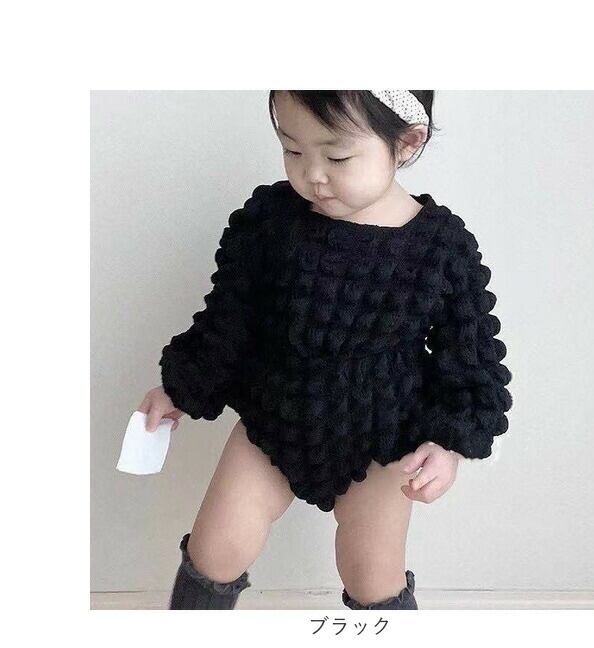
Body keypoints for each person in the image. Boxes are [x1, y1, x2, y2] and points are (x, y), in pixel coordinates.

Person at [138, 90, 513, 610]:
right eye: (292, 150)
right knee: (215, 549)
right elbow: (229, 317)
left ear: (407, 142)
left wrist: (448, 443)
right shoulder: (271, 221)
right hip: (273, 417)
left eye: (337, 157)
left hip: (384, 437)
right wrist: (182, 385)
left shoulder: (440, 247)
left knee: (372, 575)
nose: (312, 174)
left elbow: (468, 356)